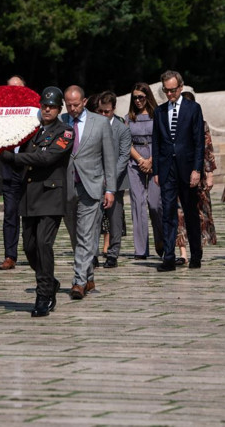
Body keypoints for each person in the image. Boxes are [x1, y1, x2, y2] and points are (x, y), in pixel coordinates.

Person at [0, 87, 73, 317]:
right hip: (29, 197)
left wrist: (15, 157)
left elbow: (47, 157)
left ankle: (43, 294)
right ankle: (49, 280)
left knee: (43, 244)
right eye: (44, 105)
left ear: (59, 108)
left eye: (51, 106)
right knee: (29, 247)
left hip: (50, 197)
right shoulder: (31, 131)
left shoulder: (66, 132)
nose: (47, 109)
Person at [61, 85, 116, 298]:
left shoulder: (100, 123)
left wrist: (110, 189)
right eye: (69, 105)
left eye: (76, 104)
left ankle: (78, 282)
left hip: (91, 186)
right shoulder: (60, 123)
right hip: (67, 186)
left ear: (84, 102)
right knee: (75, 235)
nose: (73, 109)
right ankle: (89, 276)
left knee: (85, 234)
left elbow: (109, 158)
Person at [152, 70, 205, 272]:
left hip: (187, 167)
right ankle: (169, 257)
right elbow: (156, 143)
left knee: (191, 212)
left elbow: (199, 142)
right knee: (168, 213)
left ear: (181, 88)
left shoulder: (193, 109)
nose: (170, 94)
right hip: (167, 169)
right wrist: (157, 169)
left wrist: (197, 169)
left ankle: (196, 255)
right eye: (166, 90)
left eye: (173, 90)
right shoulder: (160, 111)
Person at [173, 91, 217, 264]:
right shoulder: (173, 122)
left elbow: (207, 149)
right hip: (178, 173)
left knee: (198, 214)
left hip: (198, 175)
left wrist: (209, 173)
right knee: (179, 214)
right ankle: (183, 252)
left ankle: (196, 249)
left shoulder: (202, 124)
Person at [125, 83, 164, 259]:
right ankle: (141, 250)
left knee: (155, 204)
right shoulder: (129, 118)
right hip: (135, 161)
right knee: (137, 204)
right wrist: (140, 160)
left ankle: (161, 239)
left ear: (148, 96)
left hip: (155, 159)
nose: (138, 100)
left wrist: (151, 160)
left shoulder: (158, 115)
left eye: (141, 97)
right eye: (135, 97)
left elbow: (163, 140)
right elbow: (126, 142)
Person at [96, 91, 131, 269]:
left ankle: (113, 254)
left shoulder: (122, 129)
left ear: (114, 109)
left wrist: (109, 179)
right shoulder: (92, 125)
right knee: (93, 218)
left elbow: (124, 156)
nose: (103, 115)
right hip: (93, 178)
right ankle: (92, 253)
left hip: (116, 180)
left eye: (107, 112)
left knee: (115, 218)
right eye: (100, 111)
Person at [0, 75, 28, 271]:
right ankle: (10, 255)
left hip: (28, 169)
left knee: (30, 215)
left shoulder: (34, 112)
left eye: (17, 88)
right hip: (9, 169)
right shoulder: (1, 113)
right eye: (10, 88)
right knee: (10, 214)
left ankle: (32, 250)